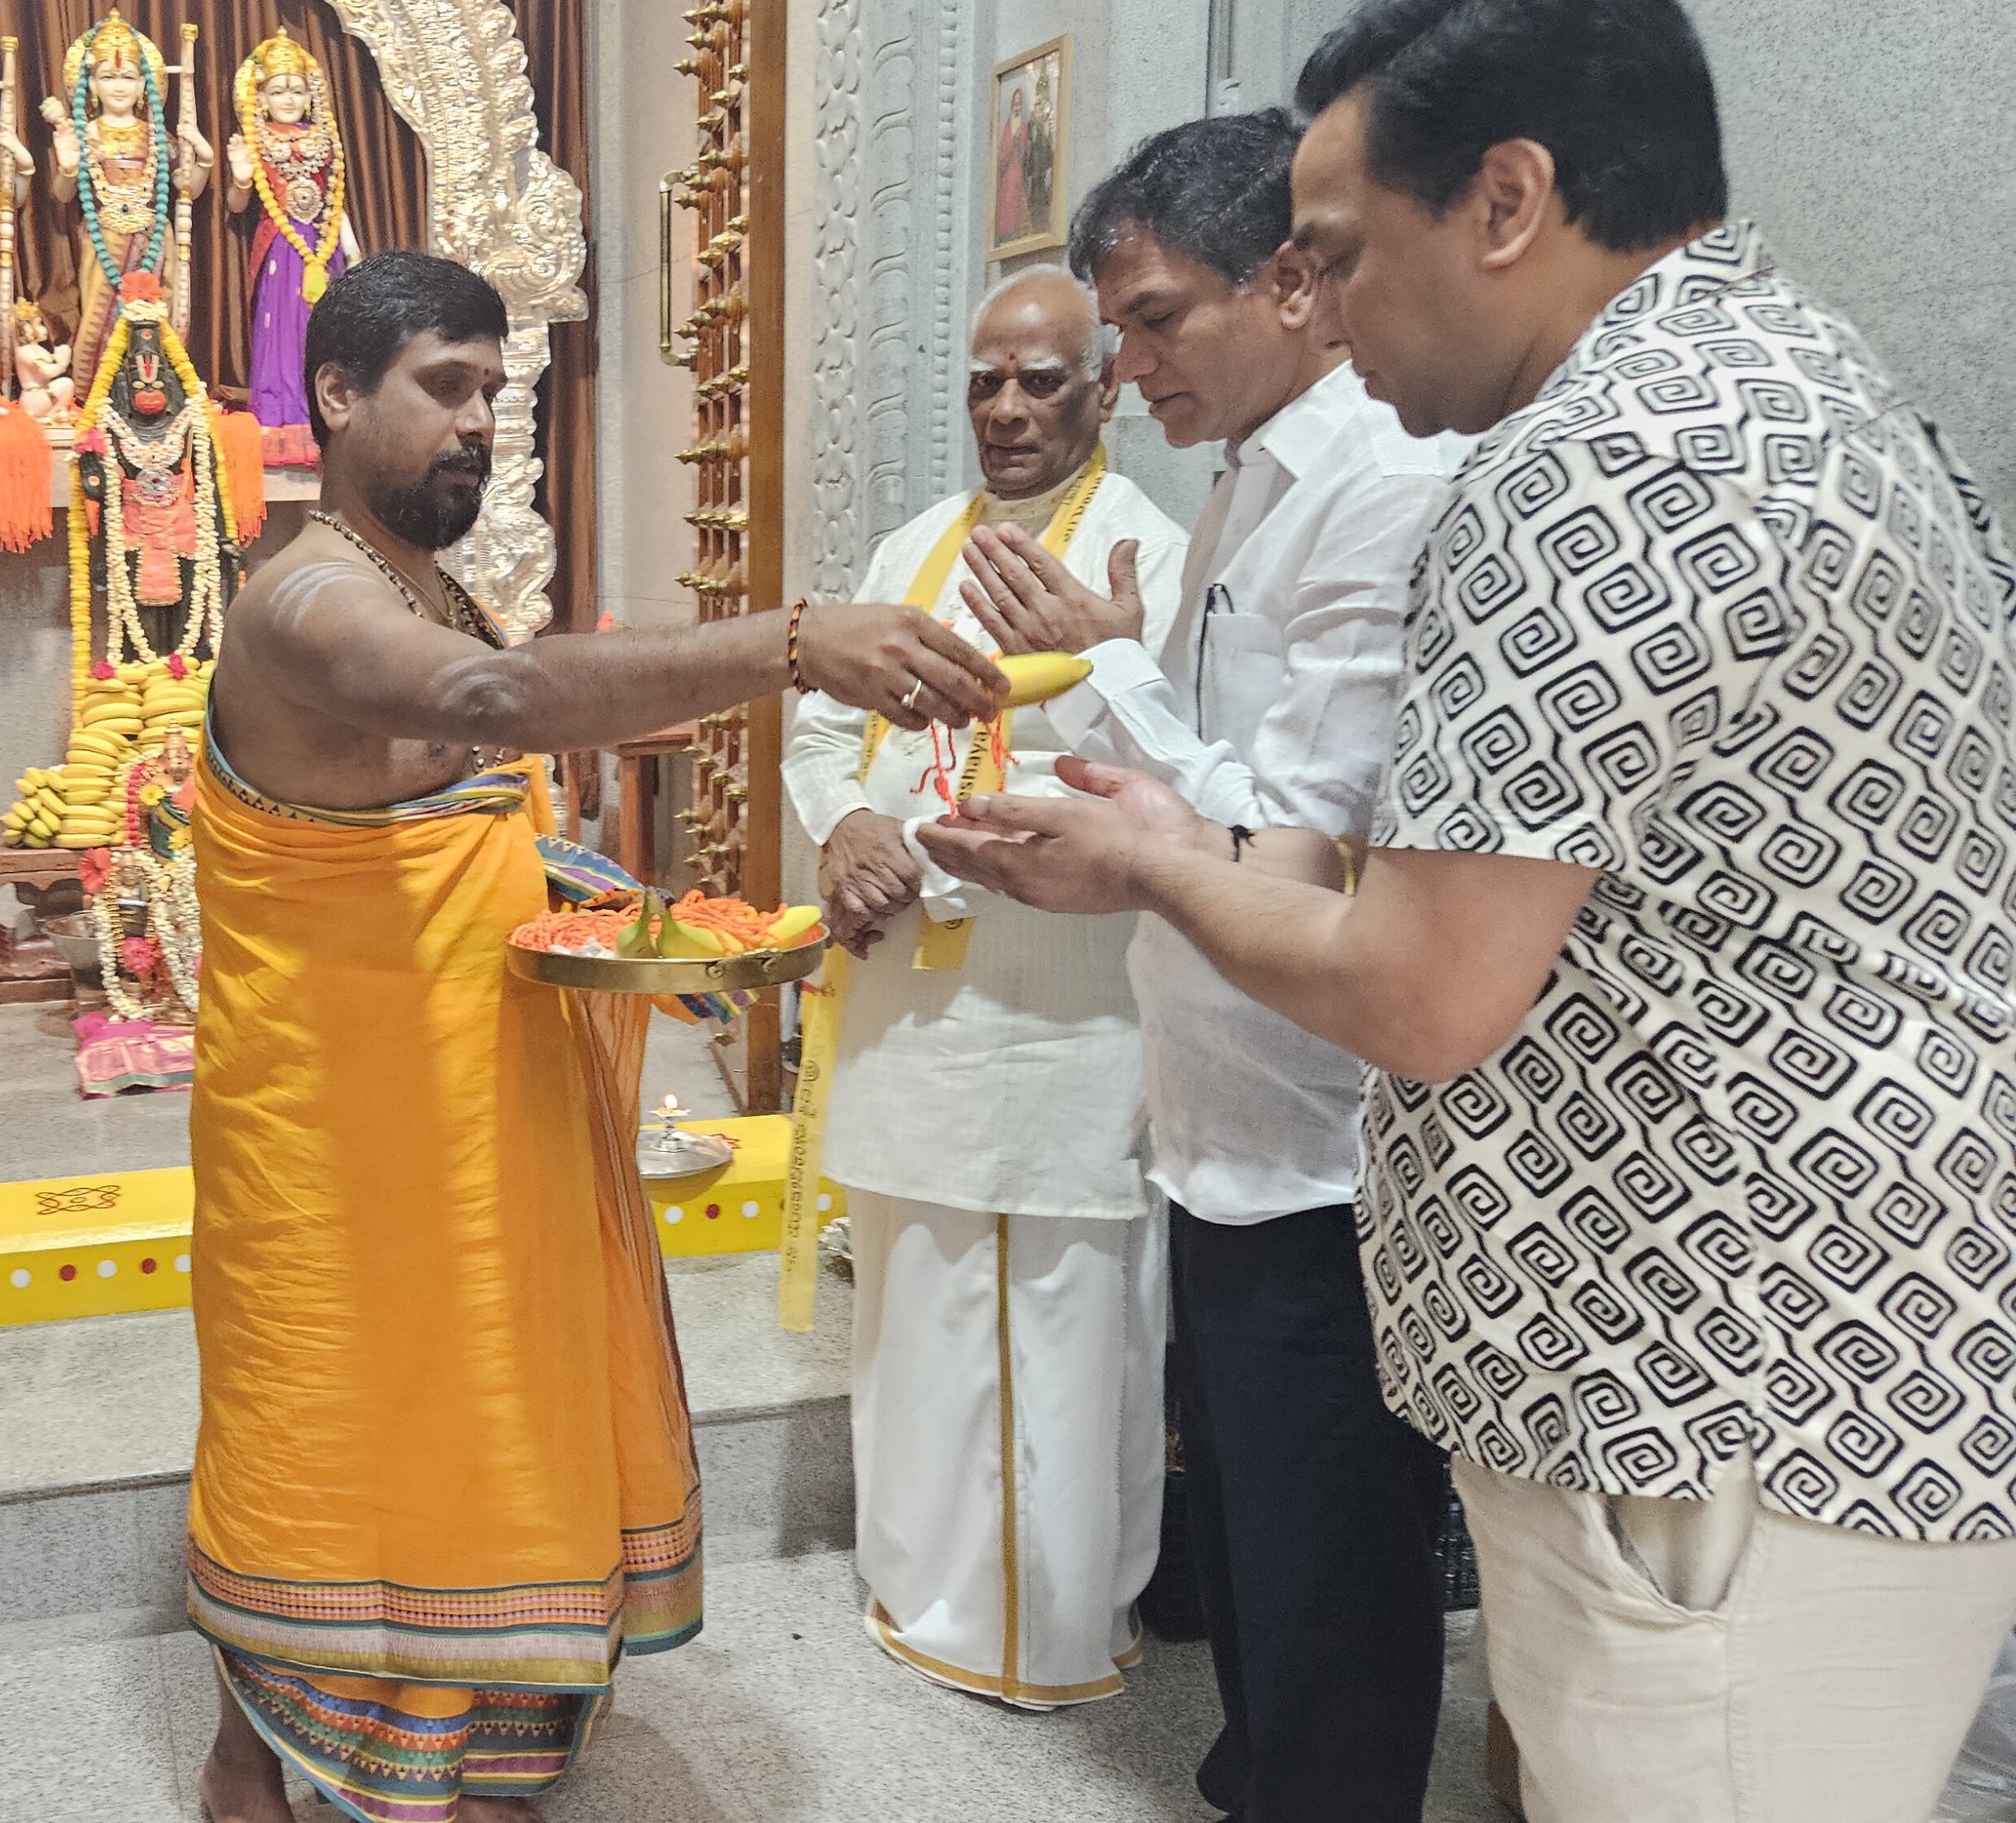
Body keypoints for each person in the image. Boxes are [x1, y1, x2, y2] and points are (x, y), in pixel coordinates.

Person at [934, 2, 2016, 1817]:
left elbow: (1421, 987)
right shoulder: (1783, 375)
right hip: (1807, 1331)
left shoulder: (1595, 460)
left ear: (1506, 200)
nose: (1329, 314)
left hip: (1710, 1367)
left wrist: (1141, 858)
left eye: (1340, 257)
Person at [185, 249, 1006, 1823]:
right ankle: (251, 1762)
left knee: (492, 1419)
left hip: (477, 1121)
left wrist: (632, 915)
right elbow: (492, 706)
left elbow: (446, 815)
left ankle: (476, 1750)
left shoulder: (421, 580)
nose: (480, 422)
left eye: (496, 392)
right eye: (445, 386)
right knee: (335, 1433)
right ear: (336, 391)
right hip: (337, 1144)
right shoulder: (306, 601)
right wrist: (788, 643)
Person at [937, 109, 1472, 1821]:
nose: (1127, 367)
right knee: (1252, 1552)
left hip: (1326, 1137)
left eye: (1155, 318)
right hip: (1220, 1111)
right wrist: (1118, 696)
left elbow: (1301, 843)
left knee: (1330, 1577)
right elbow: (1204, 791)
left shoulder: (1379, 482)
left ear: (1292, 283)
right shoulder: (1248, 472)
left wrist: (1111, 697)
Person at [782, 266, 1188, 1711]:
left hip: (1054, 1016)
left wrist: (935, 855)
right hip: (911, 1016)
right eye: (985, 383)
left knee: (1059, 1319)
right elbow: (820, 729)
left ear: (1105, 388)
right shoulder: (914, 544)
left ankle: (1047, 1633)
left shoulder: (1148, 557)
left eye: (1042, 381)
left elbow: (1168, 780)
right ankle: (922, 1590)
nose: (1007, 409)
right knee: (914, 1303)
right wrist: (846, 825)